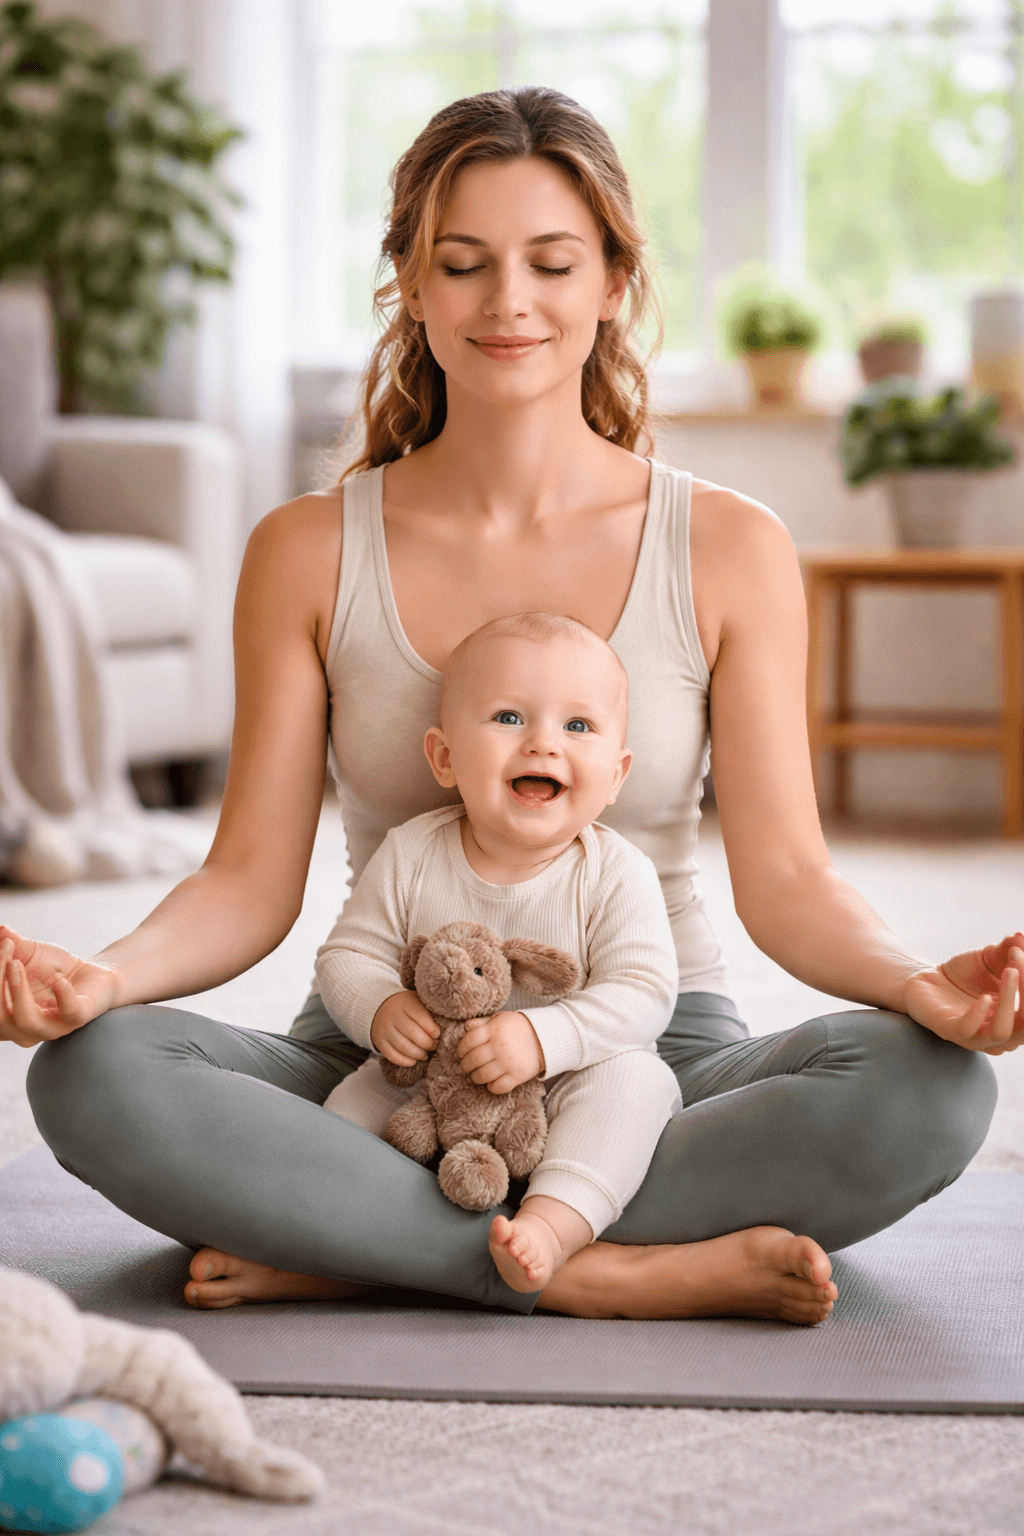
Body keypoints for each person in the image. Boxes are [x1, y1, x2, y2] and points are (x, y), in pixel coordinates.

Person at [1, 87, 1020, 1327]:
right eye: (463, 263)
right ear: (410, 285)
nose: (507, 302)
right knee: (94, 1073)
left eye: (551, 262)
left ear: (613, 284)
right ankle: (597, 1267)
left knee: (934, 1088)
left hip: (647, 1051)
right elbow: (247, 882)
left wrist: (919, 985)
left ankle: (352, 1242)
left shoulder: (730, 547)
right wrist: (100, 975)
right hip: (388, 1053)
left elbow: (792, 880)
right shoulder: (306, 550)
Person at [318, 610, 685, 1294]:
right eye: (509, 718)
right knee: (348, 1108)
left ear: (615, 775)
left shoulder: (615, 872)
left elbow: (644, 991)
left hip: (568, 1079)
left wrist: (544, 1038)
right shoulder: (411, 853)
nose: (544, 743)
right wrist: (382, 1008)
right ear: (445, 758)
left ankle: (550, 1226)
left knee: (637, 1083)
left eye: (578, 726)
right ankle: (336, 1226)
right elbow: (347, 956)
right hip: (432, 1083)